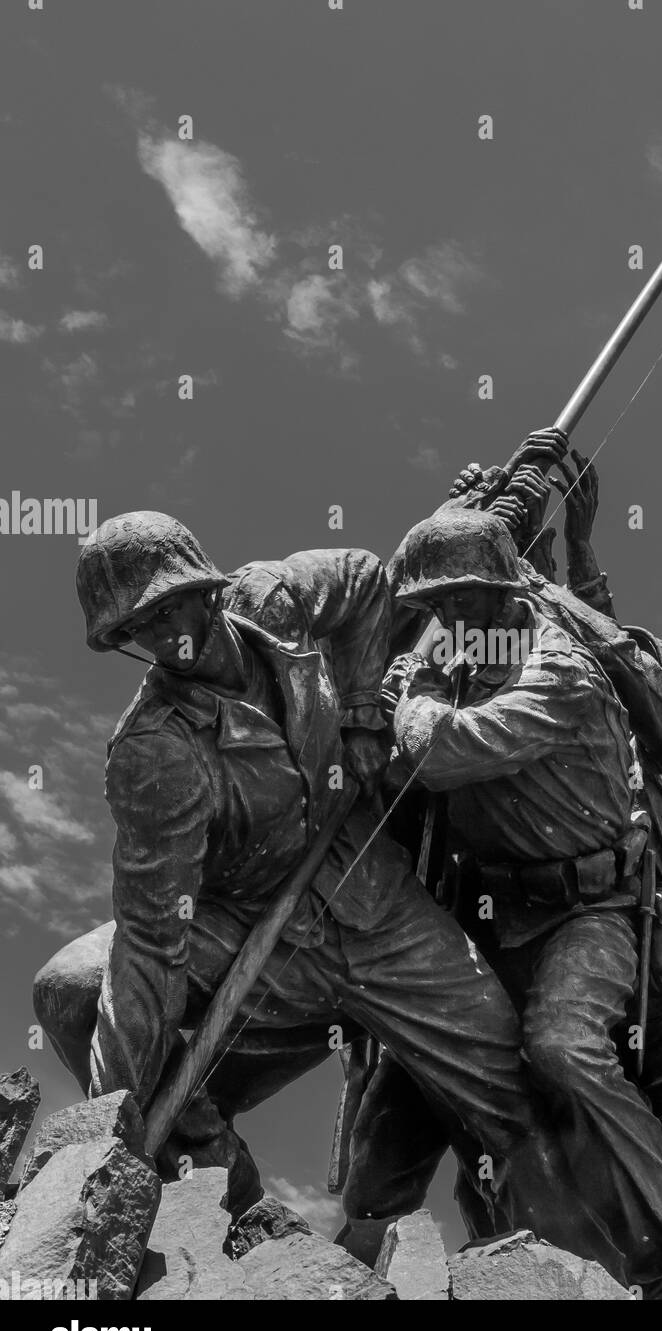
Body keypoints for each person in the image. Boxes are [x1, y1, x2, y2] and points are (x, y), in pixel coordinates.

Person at [32, 510, 625, 1265]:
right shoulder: (155, 752)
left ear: (204, 591)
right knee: (72, 988)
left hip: (382, 913)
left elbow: (369, 584)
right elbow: (152, 938)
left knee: (509, 1099)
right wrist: (114, 1117)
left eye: (161, 610)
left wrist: (359, 711)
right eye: (130, 630)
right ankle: (239, 1214)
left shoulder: (276, 600)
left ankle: (579, 1274)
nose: (153, 638)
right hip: (254, 931)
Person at [379, 505, 662, 1299]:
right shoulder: (466, 647)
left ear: (505, 588)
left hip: (589, 910)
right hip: (490, 909)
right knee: (427, 1075)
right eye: (434, 606)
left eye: (461, 599)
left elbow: (441, 751)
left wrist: (420, 692)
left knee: (564, 1050)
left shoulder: (561, 666)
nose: (446, 618)